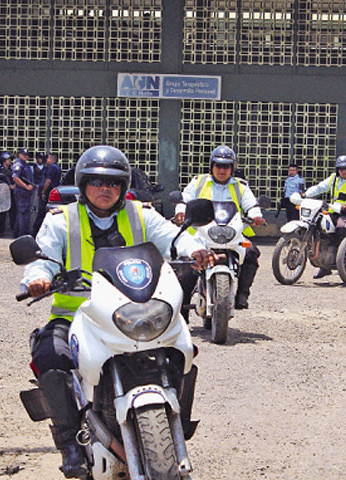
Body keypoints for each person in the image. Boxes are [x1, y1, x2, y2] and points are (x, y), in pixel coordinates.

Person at [21, 145, 215, 479]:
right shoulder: (61, 219)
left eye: (112, 183)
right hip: (77, 314)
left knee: (180, 348)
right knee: (50, 354)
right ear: (83, 185)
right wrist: (38, 277)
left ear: (123, 187)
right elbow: (44, 257)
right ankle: (69, 440)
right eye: (96, 182)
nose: (105, 189)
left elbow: (172, 237)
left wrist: (195, 248)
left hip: (134, 311)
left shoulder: (140, 213)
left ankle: (177, 423)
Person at [175, 145, 266, 310]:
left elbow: (251, 204)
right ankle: (183, 305)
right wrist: (181, 211)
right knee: (186, 262)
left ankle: (242, 294)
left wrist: (256, 215)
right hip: (200, 232)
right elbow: (185, 198)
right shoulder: (199, 182)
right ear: (212, 165)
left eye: (226, 166)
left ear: (232, 168)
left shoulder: (241, 186)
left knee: (252, 252)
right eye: (218, 165)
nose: (222, 169)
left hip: (232, 232)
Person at [303, 155, 346, 278]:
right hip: (333, 211)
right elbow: (320, 187)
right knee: (319, 227)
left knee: (340, 228)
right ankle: (324, 266)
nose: (343, 171)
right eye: (341, 169)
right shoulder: (333, 179)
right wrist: (306, 194)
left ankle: (343, 258)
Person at [32, 152, 58, 236]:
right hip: (51, 193)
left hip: (47, 193)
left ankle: (35, 232)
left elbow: (48, 181)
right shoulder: (56, 167)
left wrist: (43, 192)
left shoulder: (51, 168)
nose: (45, 160)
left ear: (51, 159)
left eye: (47, 158)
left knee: (42, 213)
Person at [12, 147, 35, 237]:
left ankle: (17, 232)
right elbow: (15, 178)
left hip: (26, 192)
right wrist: (25, 186)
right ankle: (22, 233)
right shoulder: (18, 164)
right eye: (24, 155)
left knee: (22, 212)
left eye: (27, 155)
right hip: (21, 191)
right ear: (19, 154)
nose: (26, 156)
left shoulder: (25, 164)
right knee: (23, 213)